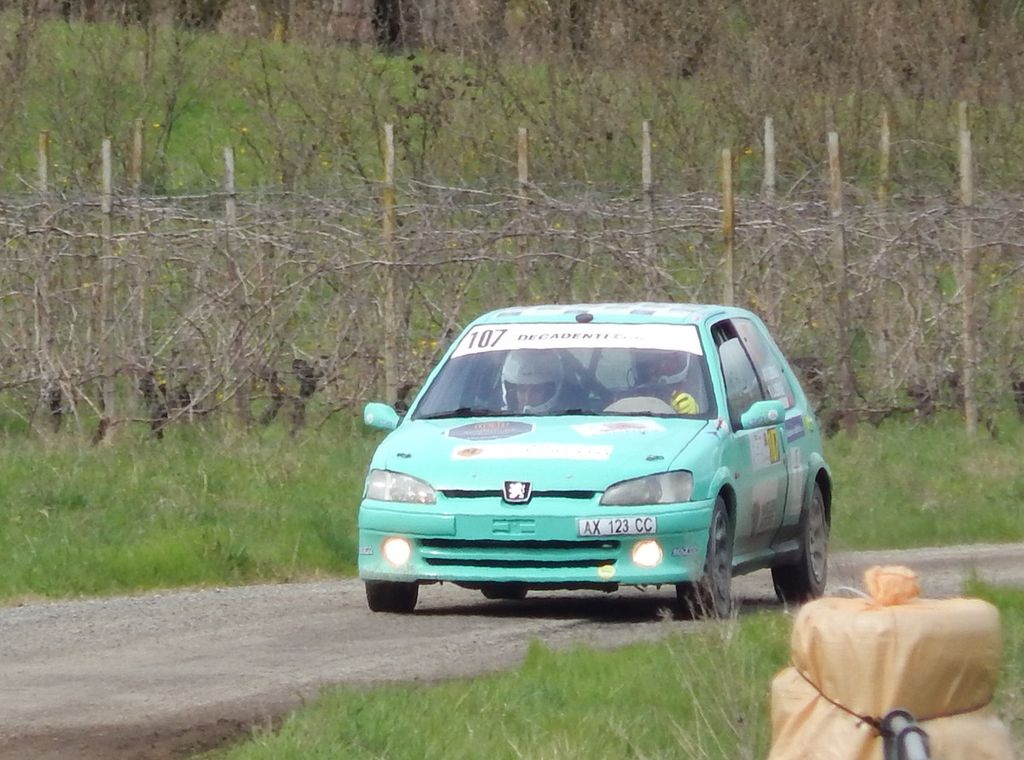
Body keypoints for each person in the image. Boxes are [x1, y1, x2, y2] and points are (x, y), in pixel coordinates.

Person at [634, 350, 701, 414]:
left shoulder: (684, 396)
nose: (662, 365)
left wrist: (693, 410)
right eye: (656, 361)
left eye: (666, 360)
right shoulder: (636, 393)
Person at [501, 349, 565, 414]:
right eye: (522, 390)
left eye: (536, 390)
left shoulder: (565, 416)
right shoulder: (498, 415)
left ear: (548, 392)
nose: (527, 398)